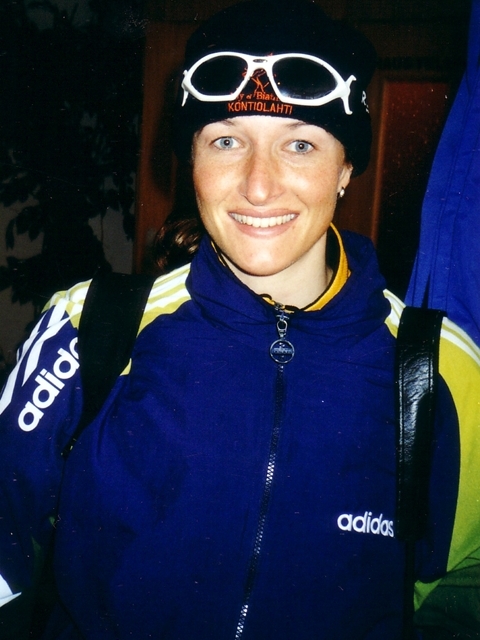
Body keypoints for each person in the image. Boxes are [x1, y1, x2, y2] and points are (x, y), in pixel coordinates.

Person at [1, 0, 480, 638]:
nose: (258, 185)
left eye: (300, 145)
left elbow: (465, 582)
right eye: (226, 141)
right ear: (190, 160)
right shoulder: (92, 325)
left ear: (345, 168)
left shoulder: (440, 367)